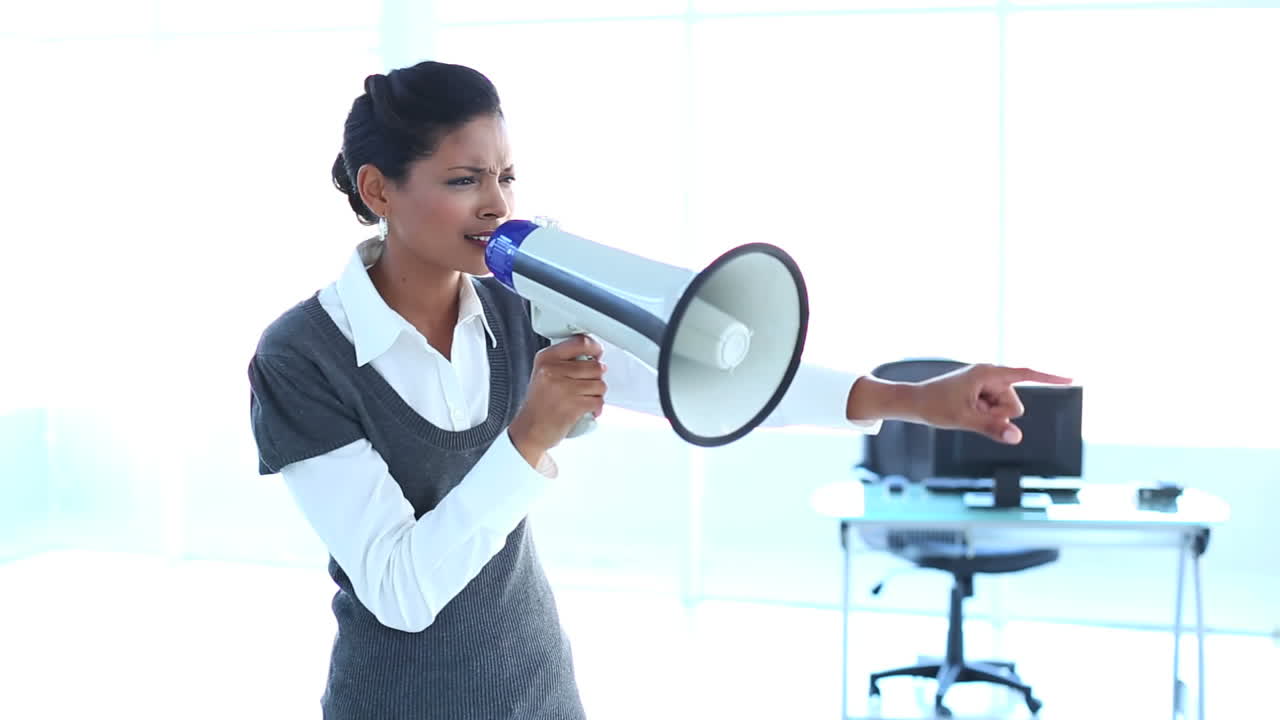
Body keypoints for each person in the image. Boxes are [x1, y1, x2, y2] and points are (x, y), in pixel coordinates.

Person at [247, 60, 1069, 720]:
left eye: (506, 176)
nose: (498, 205)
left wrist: (911, 401)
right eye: (465, 180)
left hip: (537, 688)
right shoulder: (301, 358)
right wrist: (529, 437)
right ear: (378, 190)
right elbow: (400, 591)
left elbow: (715, 379)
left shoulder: (517, 304)